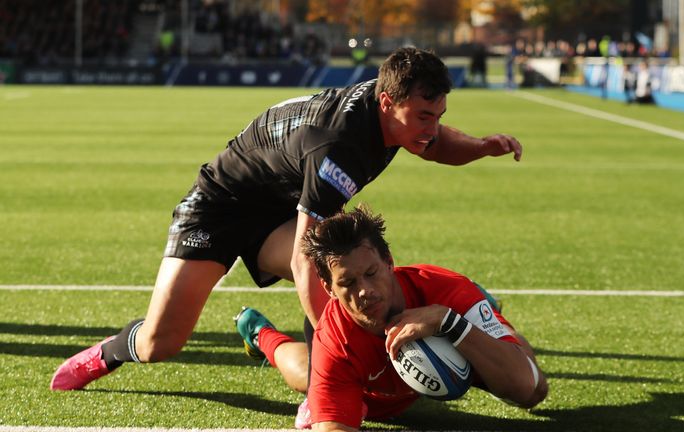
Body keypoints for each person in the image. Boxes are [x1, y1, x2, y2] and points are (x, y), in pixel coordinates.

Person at [49, 47, 523, 393]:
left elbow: (437, 144)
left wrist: (480, 147)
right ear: (386, 102)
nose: (431, 127)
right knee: (161, 342)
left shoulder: (392, 110)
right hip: (219, 207)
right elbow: (304, 260)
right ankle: (105, 353)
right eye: (423, 116)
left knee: (351, 273)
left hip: (278, 205)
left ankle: (391, 332)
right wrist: (336, 360)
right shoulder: (338, 149)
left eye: (438, 114)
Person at [235, 205, 548, 430]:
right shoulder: (335, 339)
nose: (364, 292)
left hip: (455, 336)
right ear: (329, 289)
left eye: (371, 273)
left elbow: (526, 385)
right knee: (306, 373)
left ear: (388, 262)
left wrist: (448, 321)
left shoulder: (444, 291)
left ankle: (487, 317)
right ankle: (262, 334)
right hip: (381, 395)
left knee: (533, 391)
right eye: (347, 283)